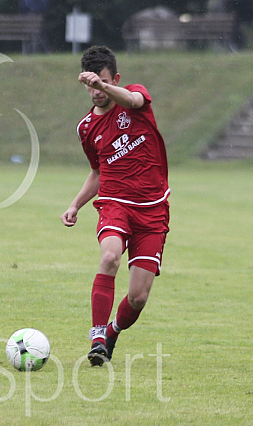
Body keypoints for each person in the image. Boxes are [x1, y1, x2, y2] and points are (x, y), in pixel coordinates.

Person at [60, 45, 170, 367]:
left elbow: (133, 100)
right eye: (89, 86)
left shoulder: (135, 98)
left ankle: (112, 332)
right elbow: (97, 171)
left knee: (138, 297)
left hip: (153, 209)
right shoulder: (86, 128)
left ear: (115, 79)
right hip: (114, 204)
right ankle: (96, 335)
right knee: (109, 257)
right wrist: (76, 204)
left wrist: (103, 85)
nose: (94, 91)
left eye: (101, 83)